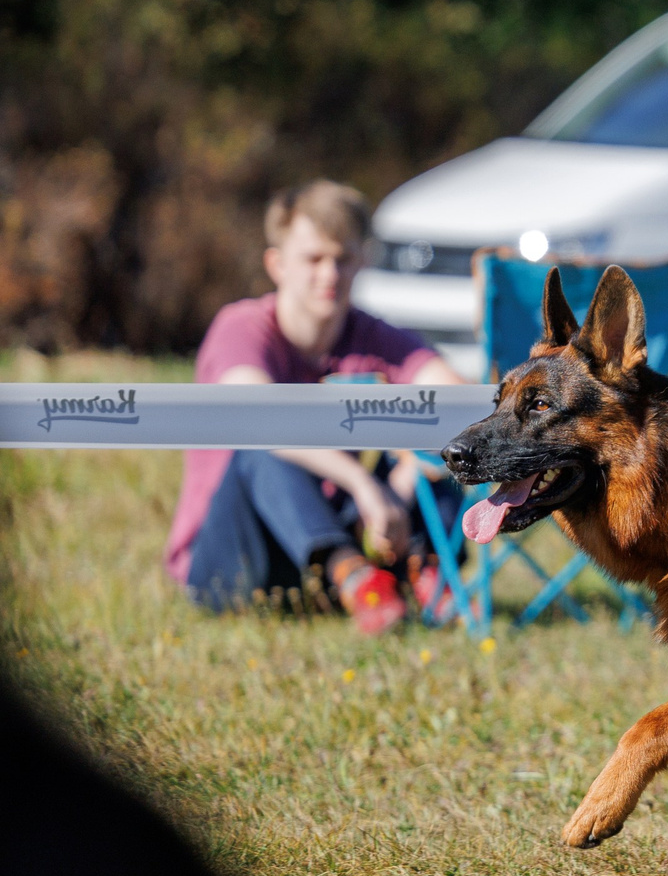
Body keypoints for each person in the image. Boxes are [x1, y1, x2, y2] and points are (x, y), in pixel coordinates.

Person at [164, 181, 469, 634]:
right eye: (314, 259)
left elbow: (457, 400)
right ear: (277, 264)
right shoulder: (240, 328)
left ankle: (420, 573)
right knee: (260, 443)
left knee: (445, 454)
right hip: (232, 555)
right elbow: (259, 415)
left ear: (361, 261)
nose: (330, 274)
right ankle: (356, 575)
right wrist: (362, 484)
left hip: (323, 537)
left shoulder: (373, 336)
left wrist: (412, 466)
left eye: (342, 259)